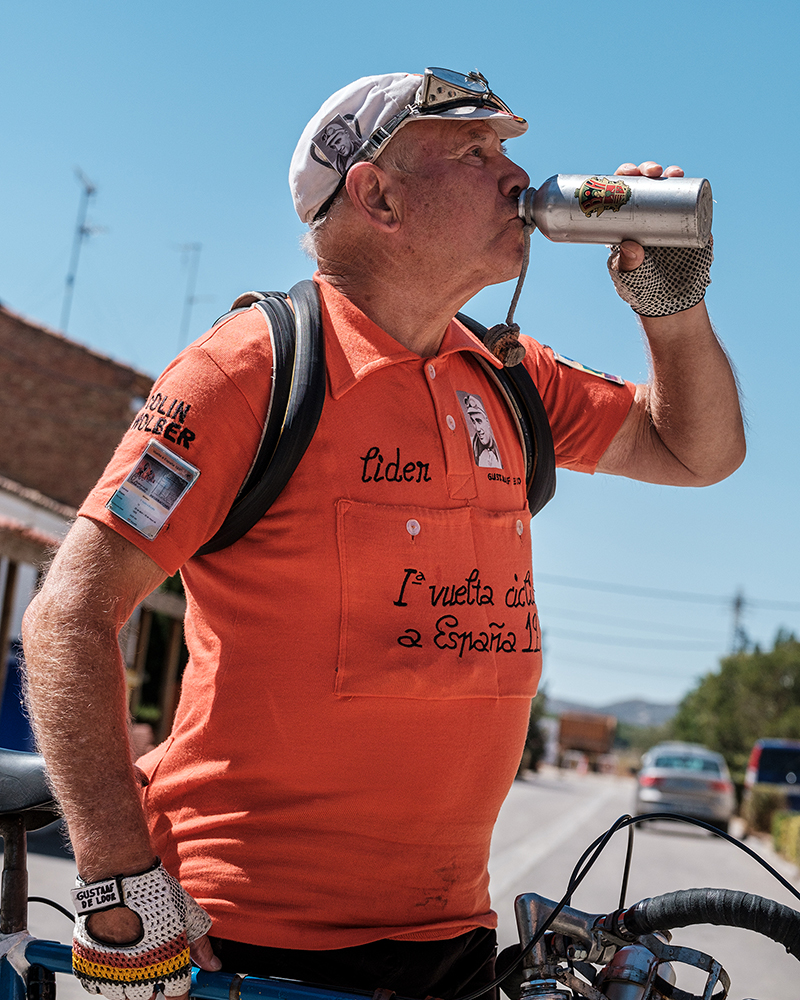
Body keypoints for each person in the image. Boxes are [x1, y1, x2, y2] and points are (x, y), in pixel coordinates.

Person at [21, 66, 745, 1000]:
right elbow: (68, 616)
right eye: (475, 152)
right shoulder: (250, 371)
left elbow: (696, 451)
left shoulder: (509, 375)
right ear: (377, 196)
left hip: (451, 937)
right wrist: (121, 887)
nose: (515, 177)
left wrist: (673, 309)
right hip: (249, 945)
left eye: (507, 152)